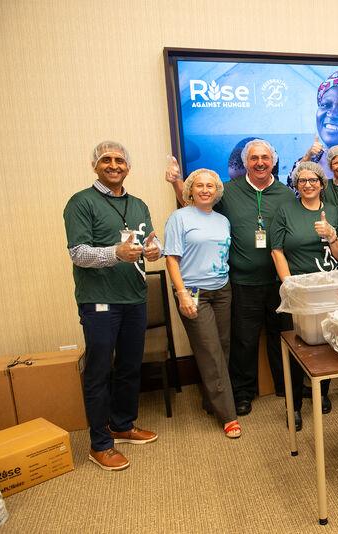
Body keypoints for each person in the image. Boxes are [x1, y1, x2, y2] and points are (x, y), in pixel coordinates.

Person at [167, 139, 296, 416]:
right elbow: (194, 206)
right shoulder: (228, 191)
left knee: (281, 336)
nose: (260, 162)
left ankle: (286, 387)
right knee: (244, 341)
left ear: (273, 161)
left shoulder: (286, 194)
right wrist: (177, 182)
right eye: (253, 158)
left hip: (279, 281)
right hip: (241, 282)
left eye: (265, 157)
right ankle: (243, 393)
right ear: (245, 162)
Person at [64, 141, 160, 471]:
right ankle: (99, 443)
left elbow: (151, 240)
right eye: (107, 159)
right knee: (99, 371)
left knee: (130, 367)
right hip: (99, 301)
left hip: (135, 297)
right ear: (96, 165)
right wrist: (115, 254)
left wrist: (155, 251)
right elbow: (78, 253)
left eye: (120, 160)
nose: (114, 165)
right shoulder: (81, 202)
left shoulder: (138, 204)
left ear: (128, 167)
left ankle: (122, 424)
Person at [163, 169, 239, 439]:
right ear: (190, 190)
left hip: (222, 289)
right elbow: (171, 258)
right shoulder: (179, 218)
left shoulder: (222, 221)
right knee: (209, 350)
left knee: (223, 346)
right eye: (200, 186)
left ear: (217, 190)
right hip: (193, 291)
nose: (205, 190)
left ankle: (211, 401)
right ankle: (228, 416)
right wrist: (182, 293)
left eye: (210, 186)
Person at [271, 162, 338, 429]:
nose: (307, 184)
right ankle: (294, 406)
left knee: (327, 343)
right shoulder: (285, 210)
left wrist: (333, 236)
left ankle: (322, 393)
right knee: (297, 349)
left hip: (328, 292)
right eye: (301, 180)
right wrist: (289, 285)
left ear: (321, 183)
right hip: (299, 291)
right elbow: (276, 250)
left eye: (313, 179)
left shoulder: (334, 212)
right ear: (295, 184)